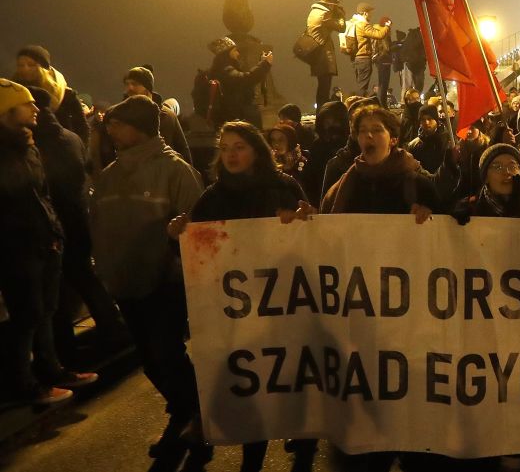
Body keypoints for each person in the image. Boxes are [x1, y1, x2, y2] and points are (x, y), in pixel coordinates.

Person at [168, 121, 315, 472]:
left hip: (285, 304)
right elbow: (197, 252)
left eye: (239, 147)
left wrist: (301, 220)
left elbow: (315, 239)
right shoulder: (214, 196)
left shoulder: (284, 186)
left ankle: (306, 449)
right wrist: (178, 236)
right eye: (225, 148)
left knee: (296, 377)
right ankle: (252, 459)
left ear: (256, 151)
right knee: (254, 384)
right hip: (241, 311)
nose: (231, 155)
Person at [89, 95, 207, 462]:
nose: (110, 131)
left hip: (164, 283)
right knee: (150, 360)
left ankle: (198, 417)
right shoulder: (109, 175)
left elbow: (198, 228)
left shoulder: (175, 171)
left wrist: (175, 269)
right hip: (125, 283)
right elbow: (99, 225)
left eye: (118, 124)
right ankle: (186, 410)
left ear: (138, 127)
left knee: (166, 353)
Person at [0, 79, 96, 406]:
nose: (36, 109)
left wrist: (53, 232)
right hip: (16, 248)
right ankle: (24, 386)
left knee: (45, 312)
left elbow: (41, 195)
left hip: (45, 242)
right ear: (7, 111)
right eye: (27, 104)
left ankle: (52, 371)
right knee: (25, 317)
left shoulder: (28, 144)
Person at [27, 87, 126, 364]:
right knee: (84, 278)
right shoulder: (69, 137)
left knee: (54, 292)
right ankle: (112, 327)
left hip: (54, 225)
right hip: (75, 218)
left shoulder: (39, 144)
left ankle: (61, 355)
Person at [320, 106, 438, 218]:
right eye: (363, 130)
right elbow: (324, 221)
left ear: (393, 140)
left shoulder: (418, 185)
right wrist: (310, 216)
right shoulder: (345, 184)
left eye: (377, 130)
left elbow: (442, 225)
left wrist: (428, 212)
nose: (369, 135)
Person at [452, 143, 520, 221]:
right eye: (497, 167)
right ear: (486, 177)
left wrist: (518, 207)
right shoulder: (470, 207)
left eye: (512, 166)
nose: (506, 172)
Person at [12, 45, 89, 144]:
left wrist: (77, 151)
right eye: (20, 65)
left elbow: (82, 128)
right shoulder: (13, 92)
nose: (25, 69)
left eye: (31, 65)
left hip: (61, 150)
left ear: (44, 68)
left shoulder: (66, 95)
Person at [121, 66, 192, 162]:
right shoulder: (123, 117)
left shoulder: (167, 116)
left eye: (135, 84)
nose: (130, 88)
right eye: (127, 84)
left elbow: (182, 149)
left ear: (147, 87)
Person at [206, 37, 273, 129]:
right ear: (227, 53)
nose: (238, 53)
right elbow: (246, 80)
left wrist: (262, 63)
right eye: (235, 51)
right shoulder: (225, 70)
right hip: (235, 120)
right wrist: (265, 64)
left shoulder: (221, 69)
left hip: (233, 119)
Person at [301, 101, 349, 207]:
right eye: (327, 123)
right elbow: (310, 179)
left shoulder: (351, 145)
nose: (331, 127)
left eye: (335, 122)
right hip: (321, 200)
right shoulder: (318, 146)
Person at [305, 0, 346, 109]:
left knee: (322, 87)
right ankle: (323, 115)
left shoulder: (314, 12)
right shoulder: (324, 15)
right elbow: (341, 28)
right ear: (330, 5)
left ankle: (321, 114)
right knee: (324, 88)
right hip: (322, 54)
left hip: (316, 53)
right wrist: (341, 15)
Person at [347, 3, 390, 97]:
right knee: (362, 86)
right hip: (364, 58)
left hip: (356, 58)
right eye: (370, 13)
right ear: (365, 13)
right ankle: (359, 107)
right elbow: (379, 35)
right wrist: (387, 26)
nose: (371, 15)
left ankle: (357, 105)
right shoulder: (363, 24)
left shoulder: (354, 23)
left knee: (360, 84)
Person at [407, 104, 450, 173]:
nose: (426, 122)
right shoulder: (413, 145)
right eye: (423, 119)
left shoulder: (448, 141)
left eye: (430, 119)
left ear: (436, 120)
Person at [267, 123, 309, 188]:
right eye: (273, 140)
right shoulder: (270, 163)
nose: (276, 144)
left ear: (290, 141)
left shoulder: (303, 163)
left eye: (281, 140)